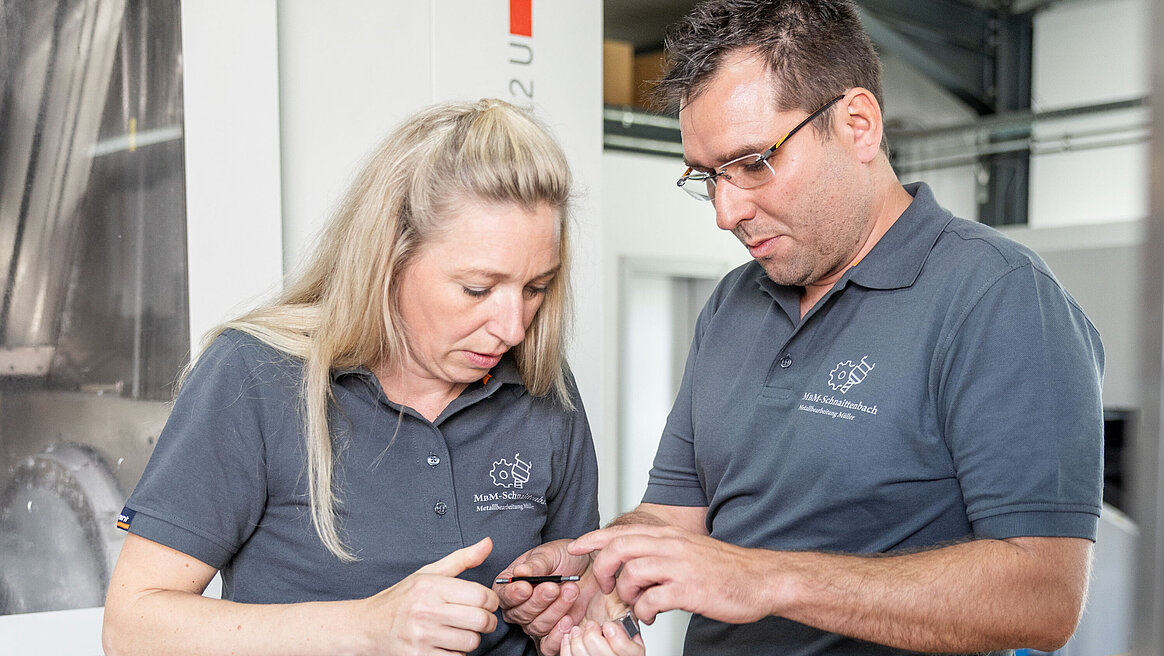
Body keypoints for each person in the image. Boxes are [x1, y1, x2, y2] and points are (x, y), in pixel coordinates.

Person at [498, 1, 1105, 655]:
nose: (726, 212)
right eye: (708, 177)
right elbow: (676, 515)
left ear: (858, 126)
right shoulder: (733, 304)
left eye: (754, 161)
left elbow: (1044, 598)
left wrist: (767, 580)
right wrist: (605, 563)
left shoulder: (998, 298)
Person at [101, 98, 600, 656]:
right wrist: (368, 628)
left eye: (536, 289)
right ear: (388, 258)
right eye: (478, 289)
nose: (512, 328)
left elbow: (573, 601)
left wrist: (566, 624)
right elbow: (131, 628)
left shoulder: (544, 390)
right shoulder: (255, 376)